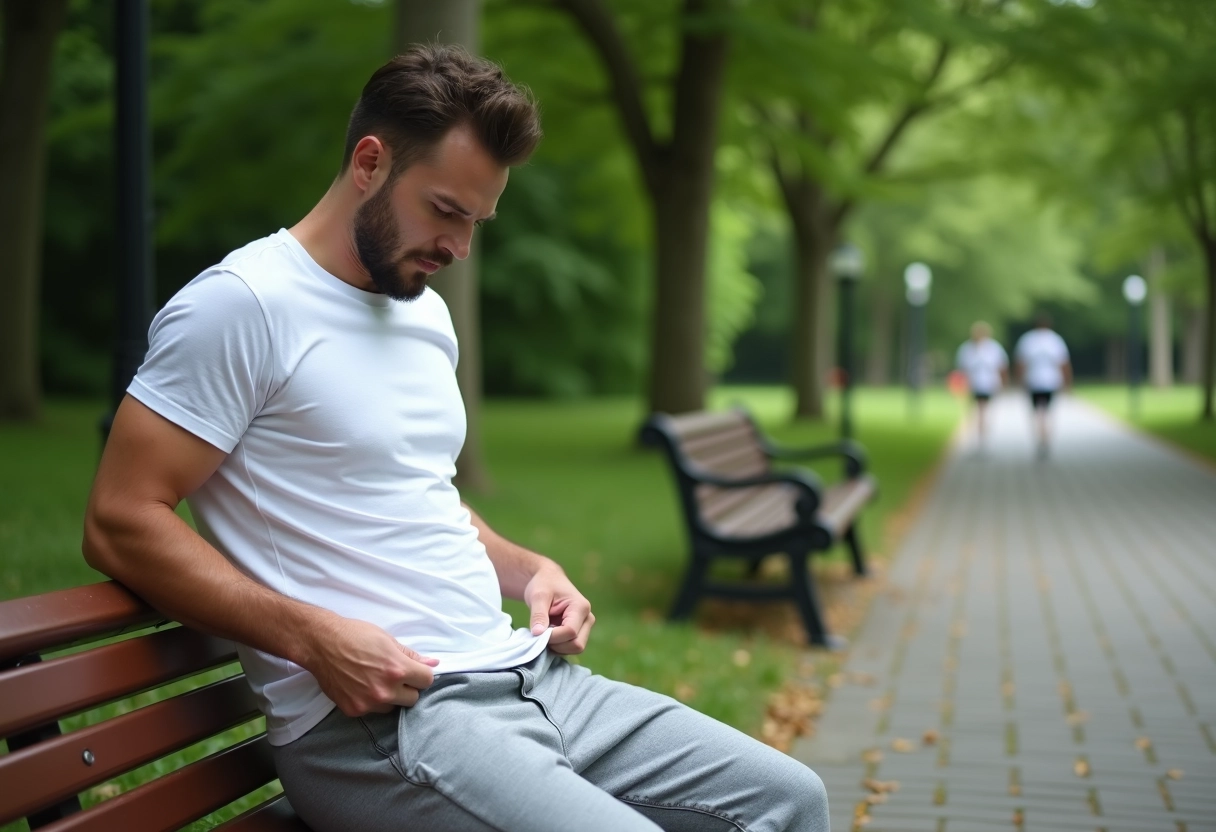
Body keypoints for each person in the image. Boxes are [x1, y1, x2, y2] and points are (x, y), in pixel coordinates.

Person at [82, 45, 828, 832]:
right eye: (445, 210)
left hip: (525, 677)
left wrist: (532, 569)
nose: (460, 248)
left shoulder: (424, 313)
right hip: (383, 720)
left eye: (477, 221)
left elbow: (420, 494)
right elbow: (120, 519)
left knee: (789, 799)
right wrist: (313, 638)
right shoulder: (243, 307)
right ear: (370, 162)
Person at [1014, 312, 1072, 458]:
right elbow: (1064, 364)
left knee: (1037, 413)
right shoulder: (1055, 340)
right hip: (1051, 382)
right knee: (1047, 412)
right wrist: (1067, 382)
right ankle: (1045, 439)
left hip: (1033, 381)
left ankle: (1041, 438)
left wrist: (1019, 381)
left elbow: (1021, 364)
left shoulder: (1027, 340)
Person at [955, 321, 1008, 448]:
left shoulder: (993, 348)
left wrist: (1003, 382)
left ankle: (982, 438)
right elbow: (962, 370)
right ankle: (980, 437)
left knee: (983, 411)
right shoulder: (967, 349)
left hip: (989, 384)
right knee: (978, 411)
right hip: (974, 385)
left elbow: (1001, 367)